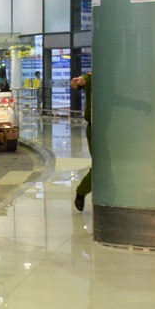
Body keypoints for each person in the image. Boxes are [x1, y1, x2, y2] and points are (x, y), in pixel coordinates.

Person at [71, 71, 93, 211]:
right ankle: (82, 190)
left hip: (115, 128)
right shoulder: (92, 78)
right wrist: (79, 81)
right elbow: (83, 80)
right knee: (101, 165)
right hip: (95, 127)